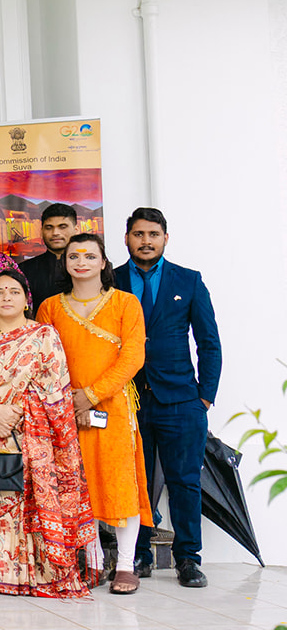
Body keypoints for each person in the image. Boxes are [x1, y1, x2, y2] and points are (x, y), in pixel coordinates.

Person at [0, 270, 98, 597]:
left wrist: (18, 413)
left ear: (26, 298)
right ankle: (4, 572)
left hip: (32, 432)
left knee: (29, 500)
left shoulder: (43, 335)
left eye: (13, 291)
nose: (6, 297)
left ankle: (39, 572)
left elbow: (55, 388)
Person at [36, 233, 153, 595]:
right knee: (77, 484)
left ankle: (125, 565)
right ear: (65, 263)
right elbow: (42, 358)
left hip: (114, 406)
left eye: (90, 256)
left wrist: (91, 395)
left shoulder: (125, 303)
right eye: (74, 256)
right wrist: (71, 400)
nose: (81, 262)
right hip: (65, 407)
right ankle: (95, 561)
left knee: (120, 483)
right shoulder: (51, 307)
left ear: (104, 262)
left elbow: (133, 358)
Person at [116, 208, 221, 587]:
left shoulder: (188, 280)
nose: (146, 240)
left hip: (181, 401)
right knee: (135, 482)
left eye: (153, 234)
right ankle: (139, 556)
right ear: (126, 238)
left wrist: (204, 397)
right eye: (139, 234)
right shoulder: (110, 281)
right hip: (129, 399)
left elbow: (209, 342)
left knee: (185, 482)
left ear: (165, 238)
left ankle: (188, 559)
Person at [19, 203, 77, 306]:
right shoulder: (25, 269)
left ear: (76, 230)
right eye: (49, 227)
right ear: (41, 232)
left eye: (62, 227)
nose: (55, 232)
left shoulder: (91, 266)